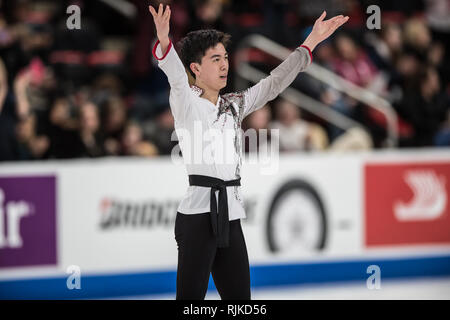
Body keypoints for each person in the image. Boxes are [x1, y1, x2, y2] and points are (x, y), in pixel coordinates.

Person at [149, 3, 348, 300]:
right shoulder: (185, 101)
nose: (224, 65)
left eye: (226, 57)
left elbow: (273, 84)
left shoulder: (234, 104)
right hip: (197, 218)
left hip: (230, 215)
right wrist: (165, 41)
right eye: (215, 59)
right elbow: (175, 76)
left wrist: (309, 44)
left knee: (241, 302)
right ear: (195, 68)